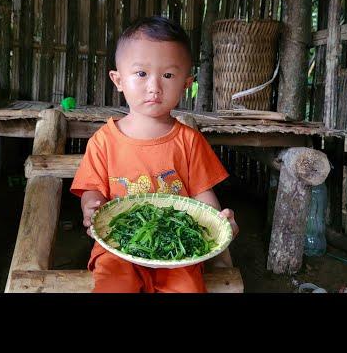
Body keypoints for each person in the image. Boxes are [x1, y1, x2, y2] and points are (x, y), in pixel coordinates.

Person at [70, 16, 239, 293]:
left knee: (187, 288)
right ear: (118, 79)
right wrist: (91, 206)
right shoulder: (103, 141)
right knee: (113, 283)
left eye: (168, 75)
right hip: (118, 245)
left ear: (186, 83)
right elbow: (91, 190)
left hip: (178, 251)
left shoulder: (190, 141)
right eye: (141, 74)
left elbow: (203, 199)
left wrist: (220, 223)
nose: (154, 86)